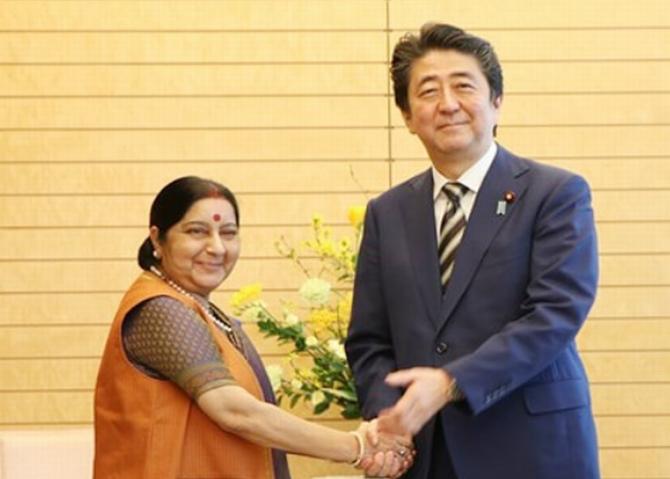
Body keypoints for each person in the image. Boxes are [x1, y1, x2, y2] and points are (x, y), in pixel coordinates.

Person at [345, 23, 600, 479]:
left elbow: (555, 313)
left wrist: (451, 382)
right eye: (427, 91)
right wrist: (392, 417)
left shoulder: (555, 193)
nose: (447, 104)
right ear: (407, 116)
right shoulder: (387, 212)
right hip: (426, 454)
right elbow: (369, 340)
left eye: (464, 86)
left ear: (496, 101)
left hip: (533, 449)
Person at [94, 176, 413, 479]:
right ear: (157, 239)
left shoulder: (200, 309)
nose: (217, 247)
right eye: (196, 231)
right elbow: (235, 411)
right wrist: (356, 446)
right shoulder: (159, 309)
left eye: (229, 233)